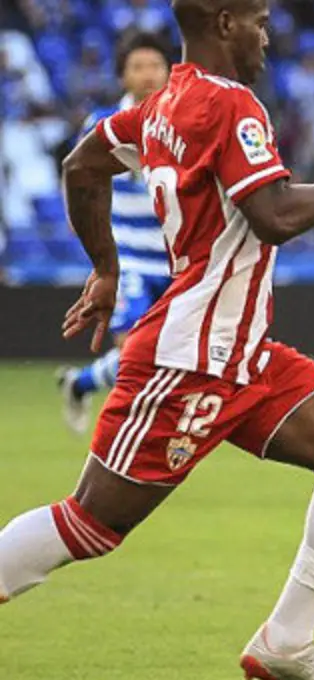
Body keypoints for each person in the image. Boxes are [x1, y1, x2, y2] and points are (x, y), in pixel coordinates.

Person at [0, 1, 314, 680]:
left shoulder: (162, 103)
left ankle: (286, 643)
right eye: (258, 20)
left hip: (243, 354)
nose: (266, 35)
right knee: (91, 524)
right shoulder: (231, 105)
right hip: (191, 358)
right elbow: (274, 216)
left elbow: (83, 164)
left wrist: (105, 269)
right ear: (224, 23)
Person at [56, 32, 172, 434]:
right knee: (134, 350)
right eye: (138, 67)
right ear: (123, 75)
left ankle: (80, 382)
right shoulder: (103, 124)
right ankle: (131, 434)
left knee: (169, 352)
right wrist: (76, 216)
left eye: (155, 65)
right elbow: (76, 173)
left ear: (169, 71)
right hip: (128, 258)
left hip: (176, 258)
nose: (148, 74)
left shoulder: (180, 122)